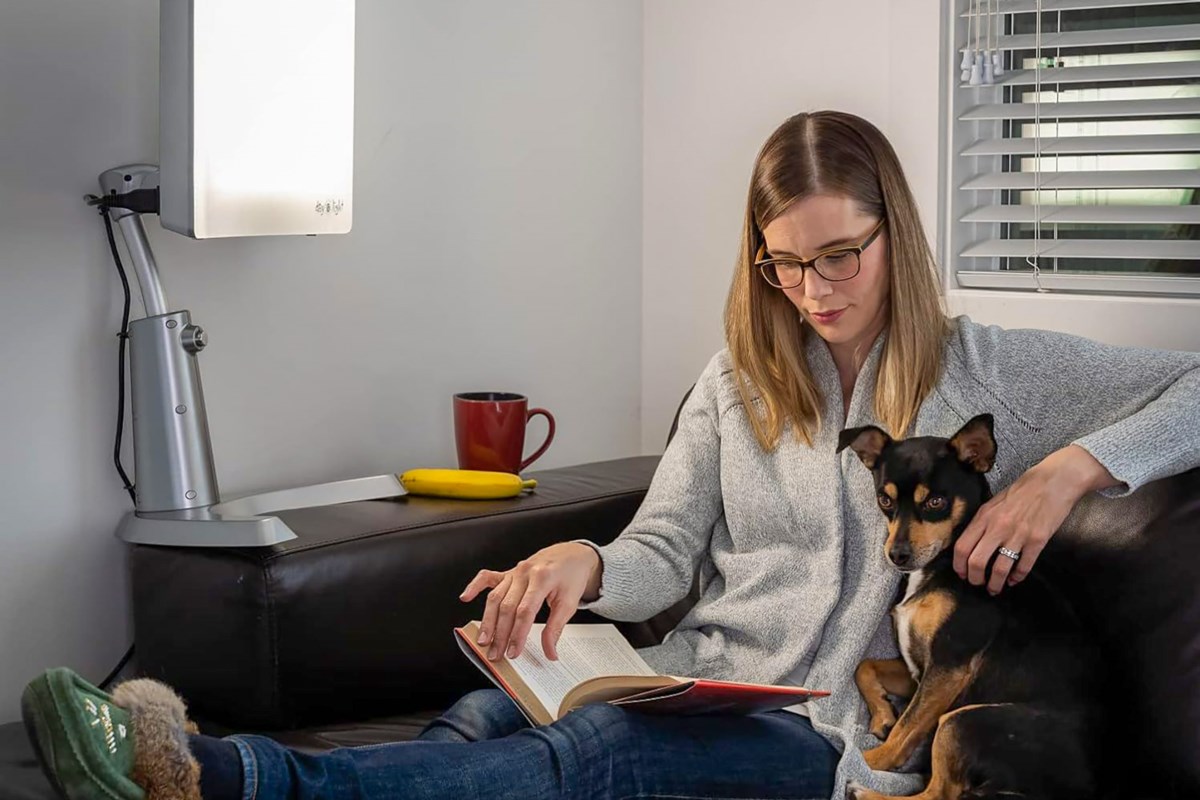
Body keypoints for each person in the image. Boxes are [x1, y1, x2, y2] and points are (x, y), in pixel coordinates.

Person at [22, 110, 1200, 800]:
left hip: (828, 737)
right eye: (785, 265)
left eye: (840, 256)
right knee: (485, 722)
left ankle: (224, 775)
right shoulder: (744, 375)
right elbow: (667, 543)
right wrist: (582, 562)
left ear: (896, 226)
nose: (815, 291)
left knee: (592, 751)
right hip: (706, 675)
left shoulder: (994, 371)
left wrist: (1070, 470)